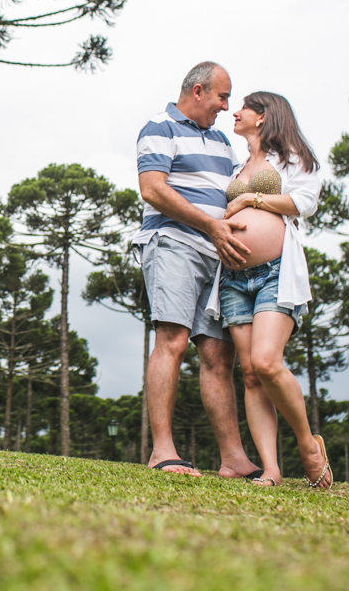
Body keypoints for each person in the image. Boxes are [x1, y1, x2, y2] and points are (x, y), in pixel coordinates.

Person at [135, 62, 261, 478]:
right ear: (198, 90)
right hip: (174, 244)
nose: (226, 107)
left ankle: (233, 459)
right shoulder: (160, 127)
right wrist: (209, 225)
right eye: (222, 97)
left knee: (217, 354)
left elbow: (229, 198)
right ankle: (163, 452)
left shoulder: (223, 142)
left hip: (217, 255)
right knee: (172, 339)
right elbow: (153, 189)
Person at [210, 91, 332, 489]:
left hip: (275, 274)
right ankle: (271, 471)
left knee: (266, 362)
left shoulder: (291, 157)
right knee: (249, 376)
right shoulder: (237, 163)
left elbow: (305, 202)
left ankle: (307, 444)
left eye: (242, 106)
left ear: (262, 117)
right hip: (232, 279)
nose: (234, 111)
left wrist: (252, 197)